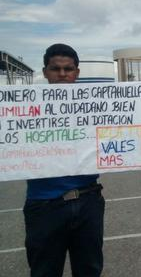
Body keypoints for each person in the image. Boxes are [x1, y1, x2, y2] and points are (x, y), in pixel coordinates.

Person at [22, 44, 106, 277]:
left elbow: (124, 134)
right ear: (45, 72)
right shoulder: (24, 107)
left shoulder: (97, 106)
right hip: (44, 205)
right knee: (44, 271)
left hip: (89, 199)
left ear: (77, 72)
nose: (62, 74)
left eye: (68, 69)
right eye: (55, 68)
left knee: (89, 270)